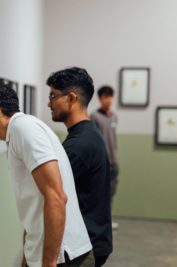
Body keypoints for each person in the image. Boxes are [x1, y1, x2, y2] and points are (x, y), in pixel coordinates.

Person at [0, 81, 93, 267]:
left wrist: (49, 262)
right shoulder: (19, 131)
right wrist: (28, 256)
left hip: (64, 257)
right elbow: (35, 204)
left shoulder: (23, 130)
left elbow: (56, 197)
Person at [46, 67, 113, 267]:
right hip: (95, 238)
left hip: (84, 248)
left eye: (53, 96)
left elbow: (53, 197)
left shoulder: (78, 145)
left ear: (71, 98)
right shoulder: (87, 134)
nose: (49, 103)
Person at [90, 86, 119, 230]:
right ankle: (100, 222)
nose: (109, 99)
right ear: (100, 98)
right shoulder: (94, 117)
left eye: (111, 96)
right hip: (102, 162)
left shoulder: (114, 116)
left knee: (111, 191)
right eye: (106, 96)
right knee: (101, 193)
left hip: (114, 161)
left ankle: (108, 219)